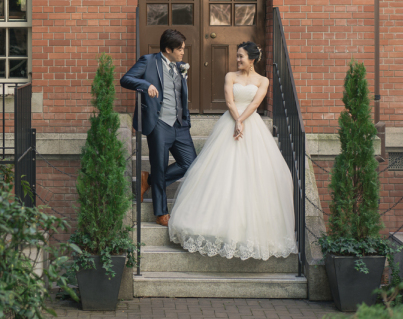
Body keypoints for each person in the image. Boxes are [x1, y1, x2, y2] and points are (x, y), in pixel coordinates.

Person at [168, 42, 298, 260]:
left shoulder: (263, 80)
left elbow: (256, 103)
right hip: (230, 122)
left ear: (252, 59)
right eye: (237, 56)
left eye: (241, 57)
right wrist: (237, 121)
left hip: (250, 124)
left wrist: (242, 120)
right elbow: (229, 100)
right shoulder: (230, 76)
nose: (238, 60)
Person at [120, 29, 196, 227]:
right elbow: (125, 79)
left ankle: (148, 180)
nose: (183, 53)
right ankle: (161, 212)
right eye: (180, 49)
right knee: (160, 165)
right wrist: (145, 85)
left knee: (190, 164)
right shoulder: (148, 61)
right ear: (168, 49)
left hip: (179, 124)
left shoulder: (180, 67)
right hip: (159, 124)